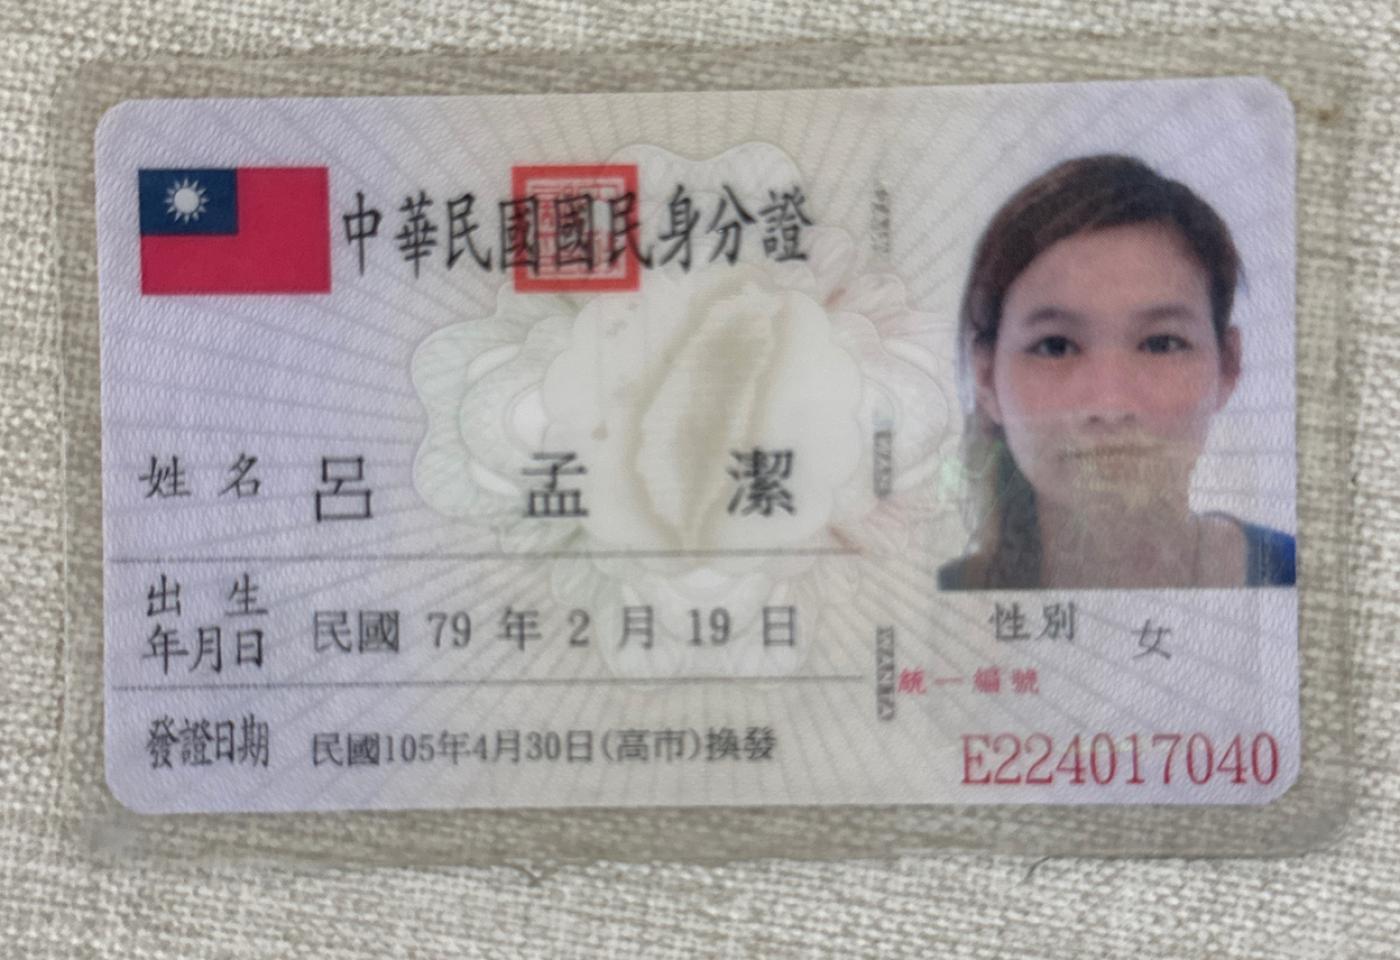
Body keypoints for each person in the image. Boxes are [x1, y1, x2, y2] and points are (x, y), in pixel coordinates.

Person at [938, 154, 1295, 590]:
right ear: (986, 378)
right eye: (1055, 346)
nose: (1110, 406)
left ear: (1228, 365)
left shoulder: (1302, 579)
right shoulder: (930, 605)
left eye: (1161, 344)